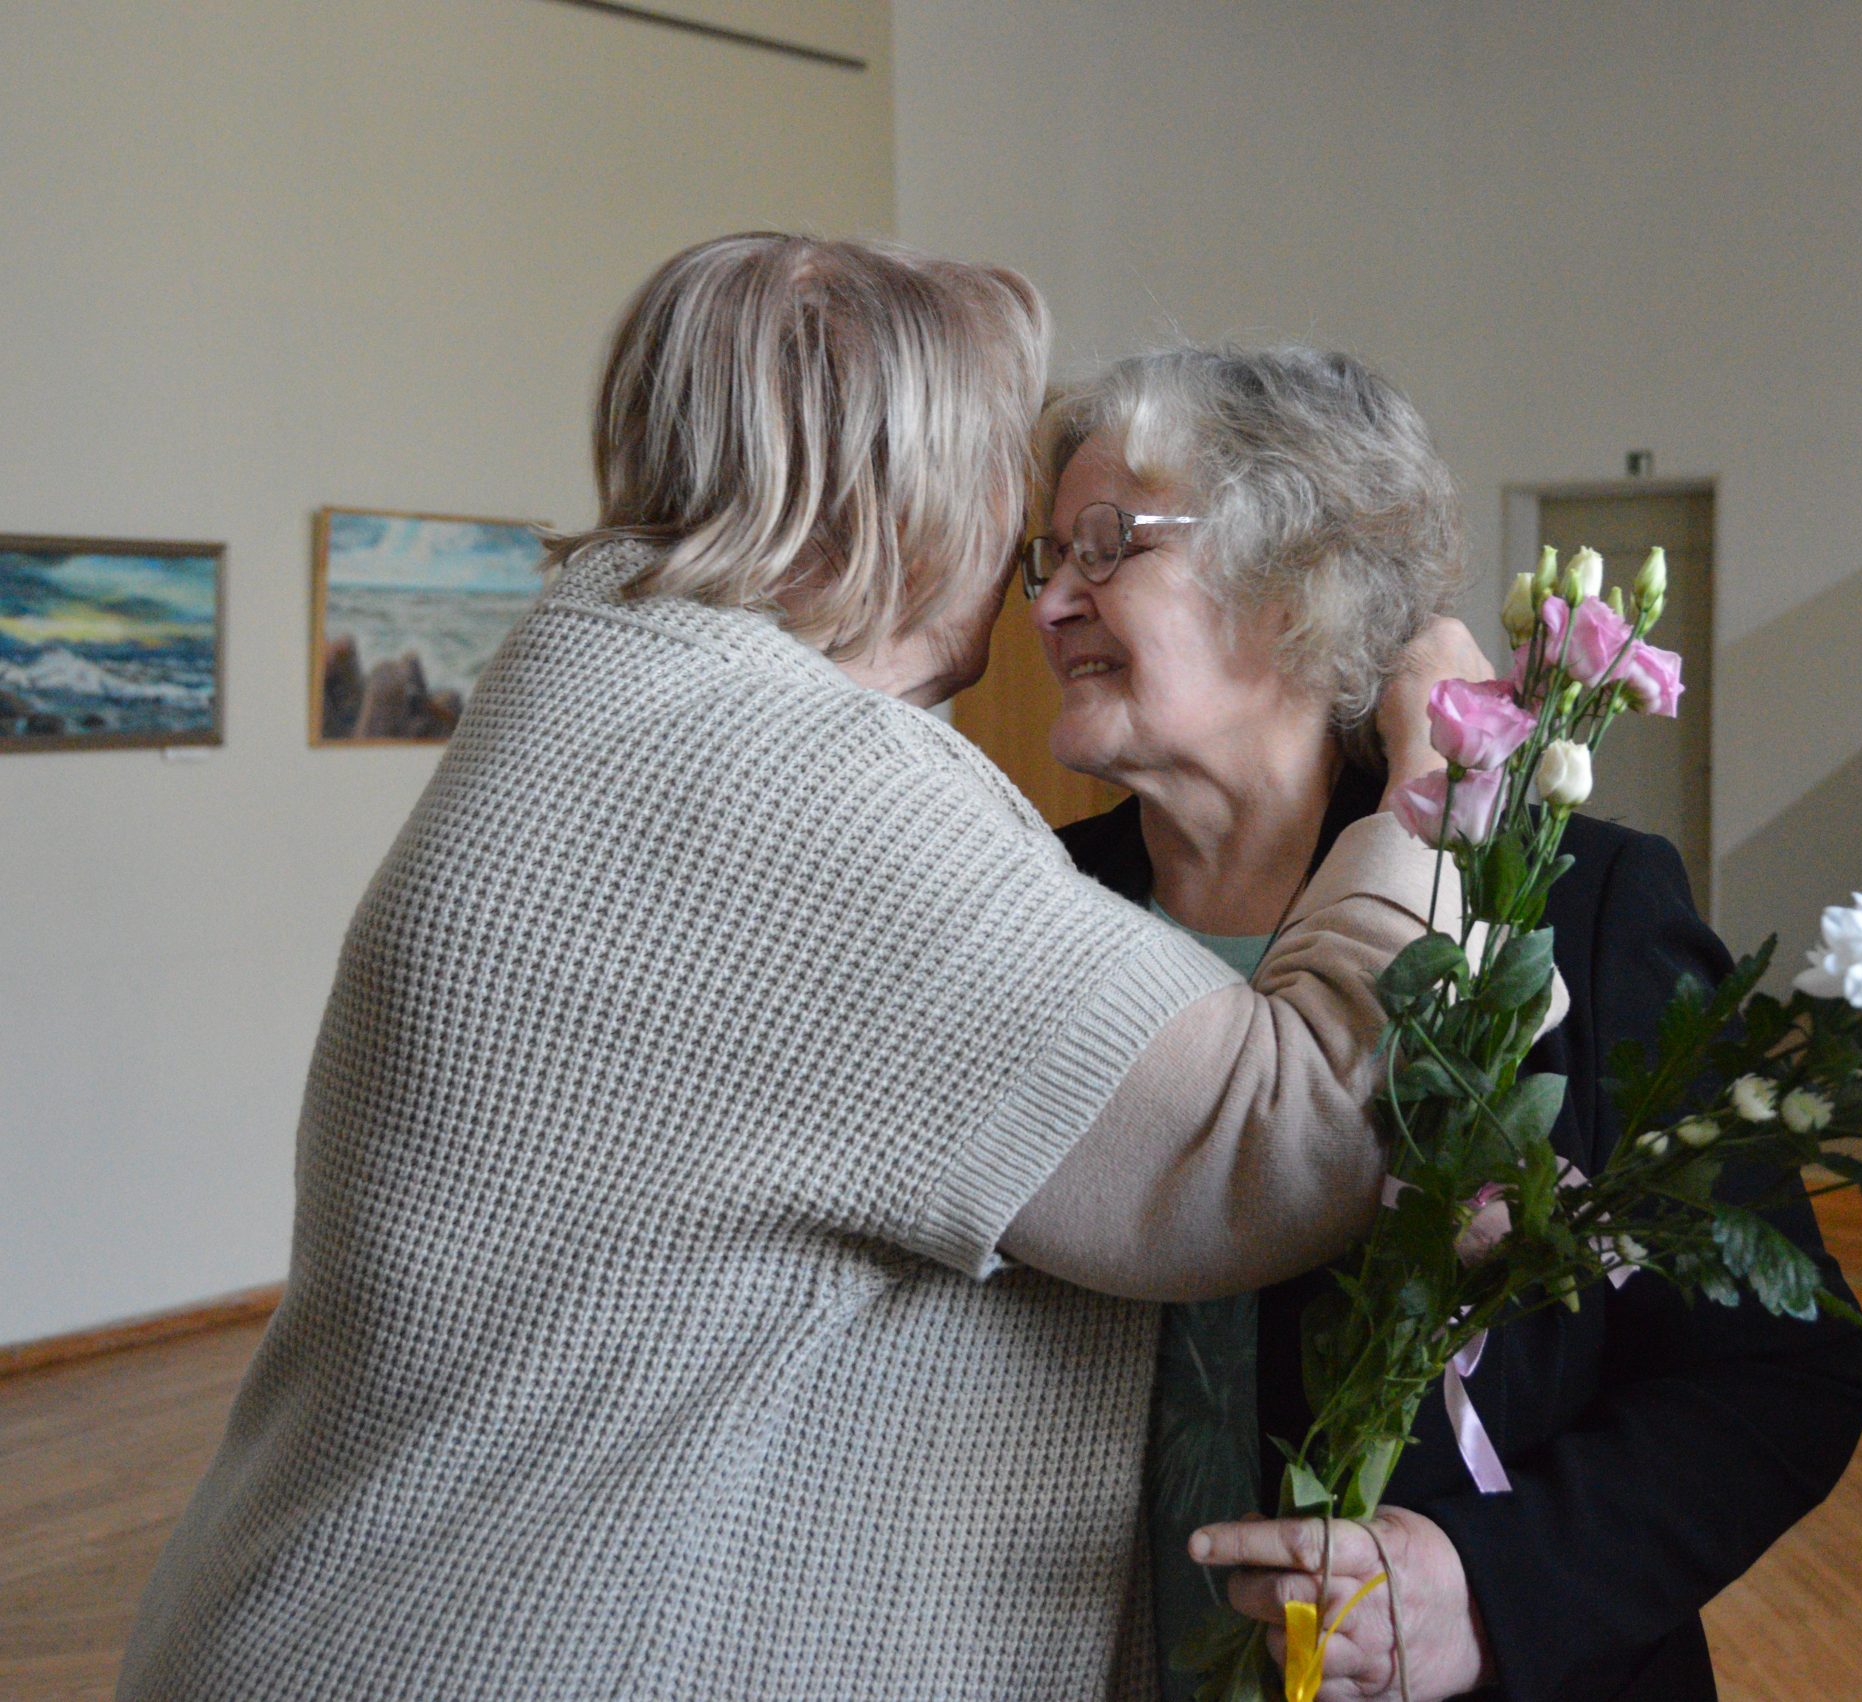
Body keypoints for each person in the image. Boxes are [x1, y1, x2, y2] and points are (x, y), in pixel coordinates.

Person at [118, 238, 1492, 1702]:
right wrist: (1449, 782)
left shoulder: (609, 692)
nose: (1026, 567)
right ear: (893, 494)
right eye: (1006, 486)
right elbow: (1279, 1138)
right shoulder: (780, 776)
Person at [1033, 345, 1862, 1702]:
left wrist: (1488, 1589)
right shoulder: (1038, 906)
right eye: (1045, 557)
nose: (1050, 600)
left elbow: (1782, 1371)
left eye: (1105, 545)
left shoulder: (1575, 902)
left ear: (1296, 575)